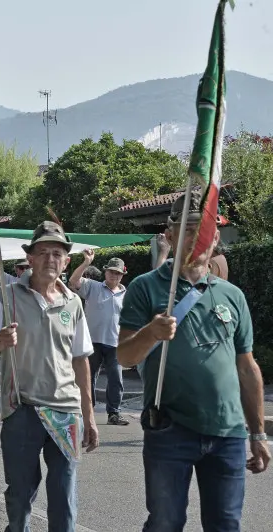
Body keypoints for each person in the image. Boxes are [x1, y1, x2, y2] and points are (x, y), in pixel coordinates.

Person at [117, 192, 269, 531]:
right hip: (170, 428)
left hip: (228, 432)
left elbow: (247, 367)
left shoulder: (233, 295)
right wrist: (150, 334)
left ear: (215, 238)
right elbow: (125, 356)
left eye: (203, 230)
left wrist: (257, 432)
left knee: (226, 523)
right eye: (186, 229)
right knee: (166, 522)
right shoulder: (145, 288)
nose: (196, 237)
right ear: (169, 236)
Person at [0, 221, 99, 531]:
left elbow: (81, 359)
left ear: (66, 261)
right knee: (19, 496)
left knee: (64, 497)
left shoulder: (73, 303)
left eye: (56, 253)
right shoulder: (7, 297)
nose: (49, 259)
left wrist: (90, 415)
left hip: (66, 412)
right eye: (42, 252)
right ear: (29, 258)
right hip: (23, 409)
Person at [69, 252, 130, 426]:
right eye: (111, 271)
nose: (114, 275)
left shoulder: (126, 294)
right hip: (92, 341)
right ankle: (87, 410)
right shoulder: (92, 286)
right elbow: (73, 282)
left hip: (116, 343)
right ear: (105, 273)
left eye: (117, 273)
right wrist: (86, 262)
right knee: (88, 378)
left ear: (122, 275)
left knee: (116, 378)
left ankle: (114, 413)